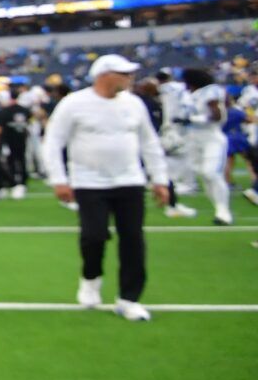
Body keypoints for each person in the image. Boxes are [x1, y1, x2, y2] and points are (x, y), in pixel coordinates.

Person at [42, 54, 173, 321]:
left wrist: (159, 179)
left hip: (130, 181)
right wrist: (59, 179)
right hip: (89, 182)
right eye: (123, 73)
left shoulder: (134, 104)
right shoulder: (74, 104)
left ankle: (129, 299)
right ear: (104, 75)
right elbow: (54, 141)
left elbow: (149, 143)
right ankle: (91, 278)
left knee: (133, 239)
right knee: (93, 236)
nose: (130, 78)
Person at [175, 66, 234, 225]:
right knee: (204, 175)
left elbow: (217, 115)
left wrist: (193, 120)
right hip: (193, 138)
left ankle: (224, 211)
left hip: (211, 137)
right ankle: (219, 209)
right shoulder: (190, 95)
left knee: (211, 173)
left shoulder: (210, 91)